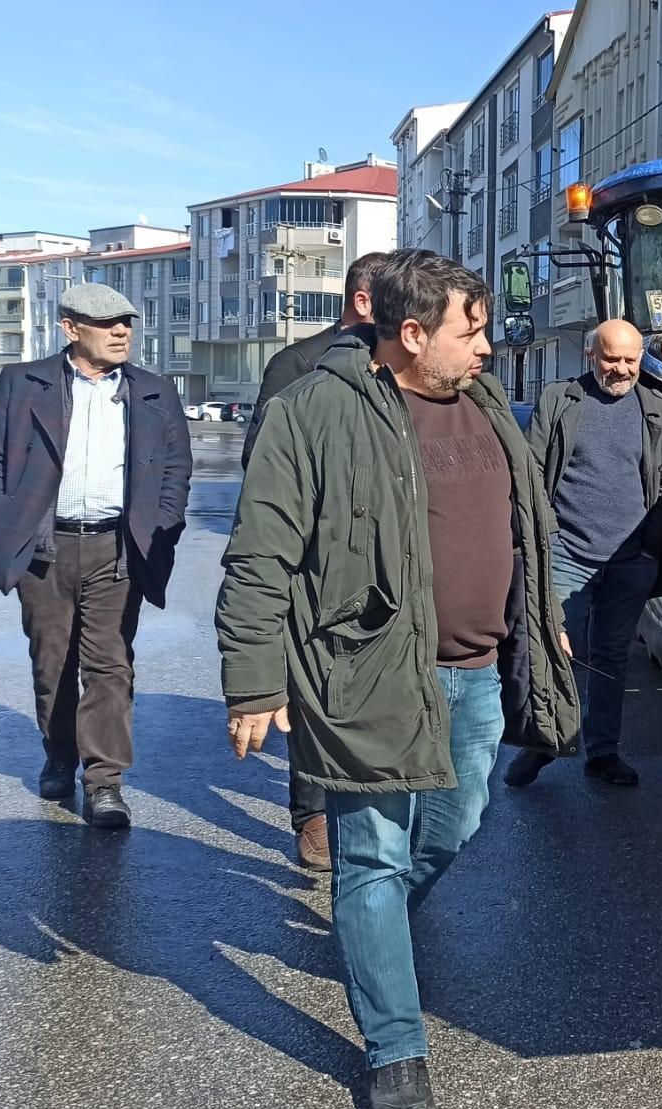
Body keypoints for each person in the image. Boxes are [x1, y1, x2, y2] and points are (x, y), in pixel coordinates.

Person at [216, 248, 576, 1109]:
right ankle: (394, 1045)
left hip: (479, 672)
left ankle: (369, 931)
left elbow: (525, 522)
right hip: (364, 672)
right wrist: (254, 680)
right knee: (371, 857)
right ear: (411, 334)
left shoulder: (489, 407)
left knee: (457, 825)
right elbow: (259, 556)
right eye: (471, 329)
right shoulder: (313, 412)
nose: (487, 348)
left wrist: (544, 615)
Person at [0, 282, 192, 828]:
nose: (122, 331)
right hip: (46, 546)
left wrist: (159, 528)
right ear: (71, 328)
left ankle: (104, 781)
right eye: (107, 322)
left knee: (110, 666)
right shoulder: (23, 384)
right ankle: (59, 754)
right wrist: (2, 524)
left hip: (118, 548)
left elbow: (175, 471)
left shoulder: (155, 391)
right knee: (53, 664)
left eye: (127, 322)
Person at [237, 248, 390, 871]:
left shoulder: (398, 368)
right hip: (315, 565)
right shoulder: (295, 365)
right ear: (363, 301)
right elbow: (263, 471)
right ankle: (313, 815)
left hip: (383, 561)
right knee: (311, 695)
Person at [505, 318, 662, 790]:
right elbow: (532, 474)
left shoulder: (660, 412)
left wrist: (648, 551)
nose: (621, 369)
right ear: (591, 355)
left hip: (629, 562)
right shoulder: (560, 403)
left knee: (610, 657)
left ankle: (603, 752)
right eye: (612, 358)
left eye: (630, 359)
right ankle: (544, 742)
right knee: (555, 652)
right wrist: (545, 541)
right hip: (567, 554)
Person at [240, 249, 390, 469]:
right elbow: (258, 456)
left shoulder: (394, 361)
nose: (407, 314)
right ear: (362, 302)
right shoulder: (297, 362)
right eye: (397, 303)